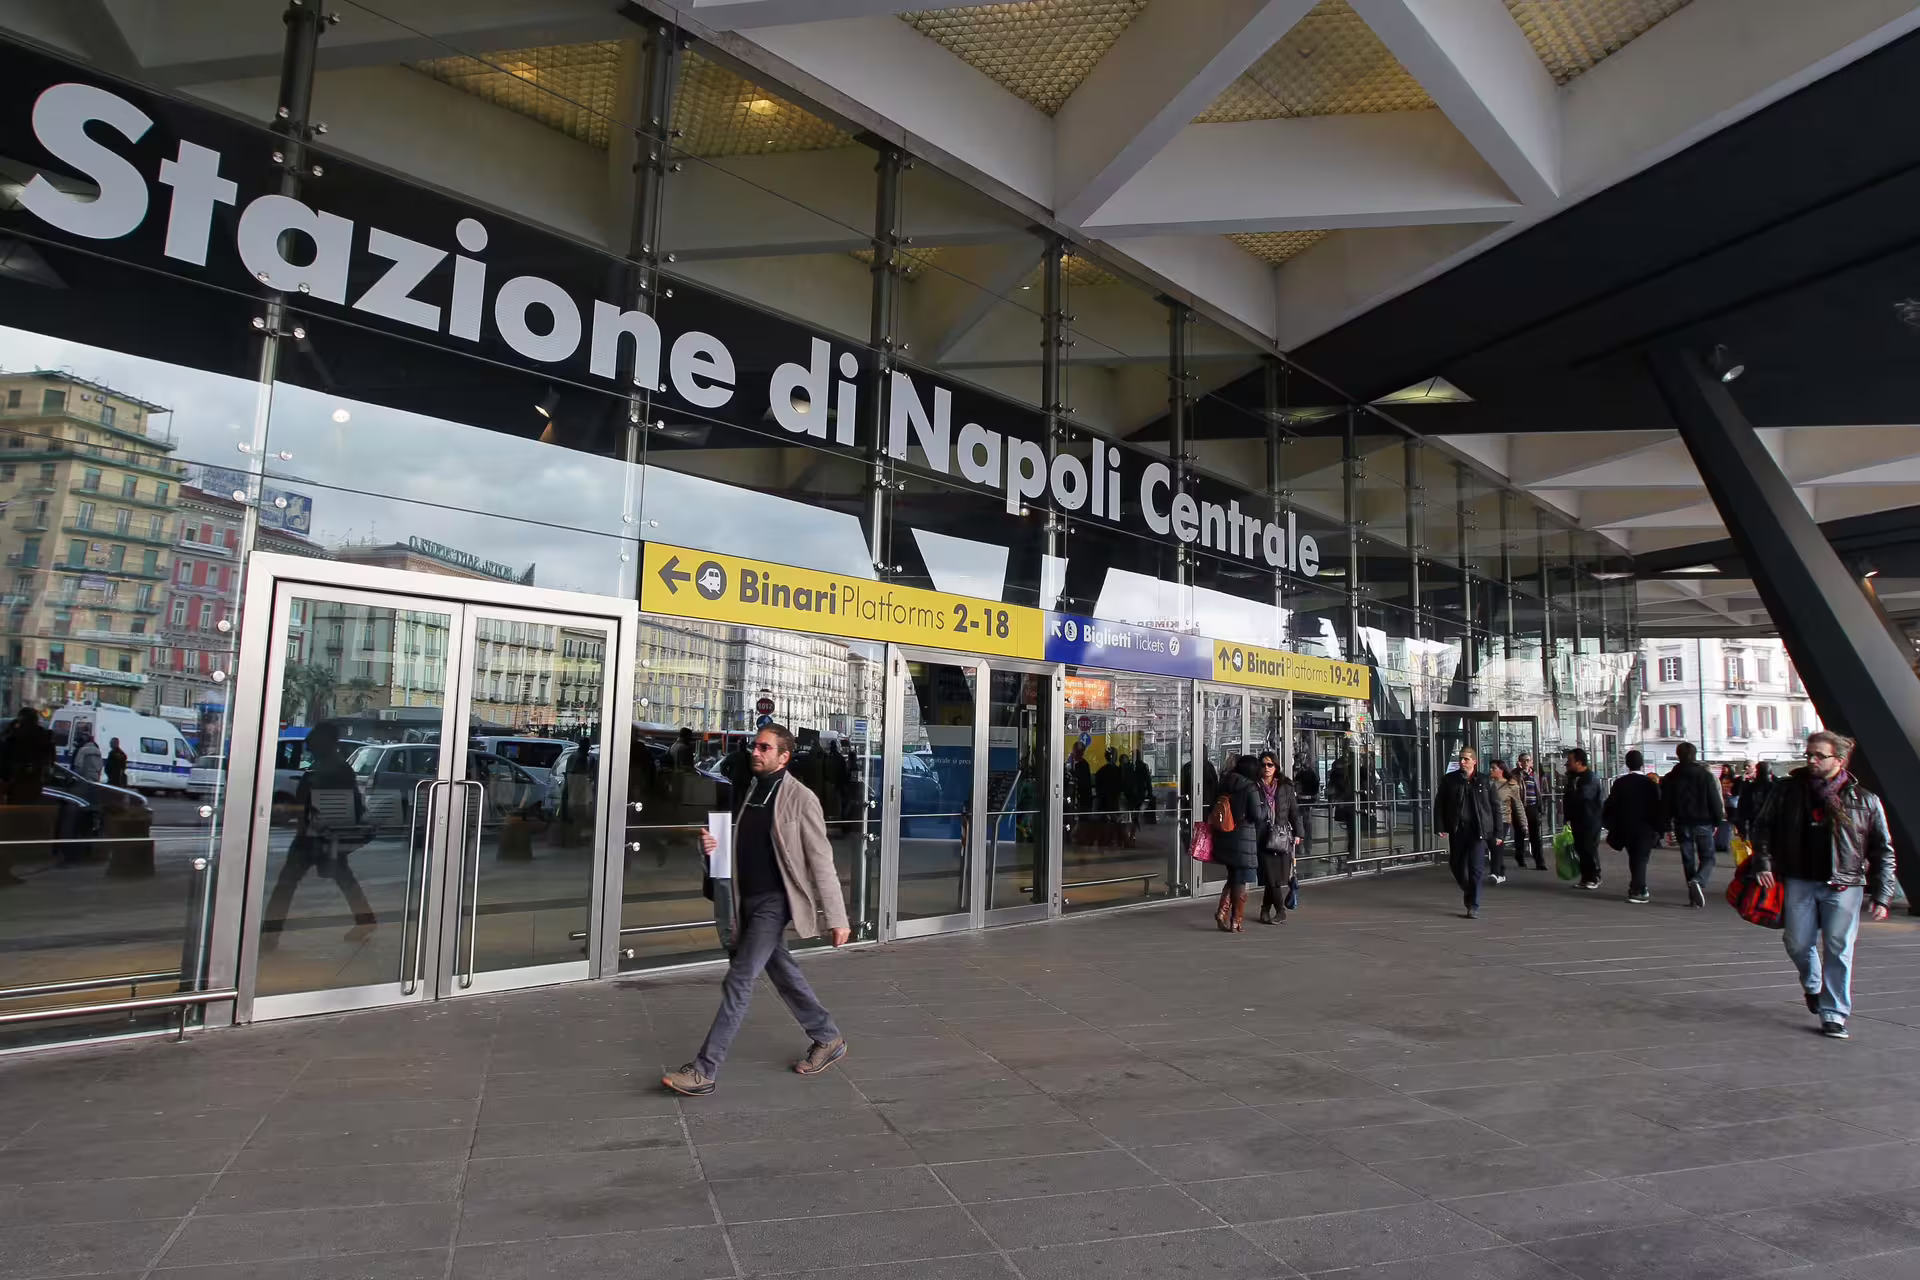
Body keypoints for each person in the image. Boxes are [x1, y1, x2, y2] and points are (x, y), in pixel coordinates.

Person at [664, 724, 851, 1096]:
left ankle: (704, 1070)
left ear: (784, 756)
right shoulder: (751, 790)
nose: (756, 752)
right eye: (755, 746)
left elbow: (821, 861)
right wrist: (714, 850)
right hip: (745, 899)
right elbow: (746, 848)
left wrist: (837, 918)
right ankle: (827, 1037)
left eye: (765, 748)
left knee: (740, 978)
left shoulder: (801, 799)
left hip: (774, 902)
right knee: (782, 971)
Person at [1749, 731, 1896, 1039]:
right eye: (1809, 755)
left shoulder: (1865, 800)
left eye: (1819, 756)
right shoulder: (1786, 791)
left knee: (1839, 949)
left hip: (1844, 885)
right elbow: (1762, 826)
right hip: (1799, 879)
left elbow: (1883, 850)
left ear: (1839, 761)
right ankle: (1813, 985)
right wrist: (1763, 861)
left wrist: (1882, 895)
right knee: (1798, 943)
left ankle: (1834, 1013)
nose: (1812, 760)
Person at [261, 722, 377, 948]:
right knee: (343, 879)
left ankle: (269, 934)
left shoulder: (326, 770)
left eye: (314, 742)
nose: (310, 746)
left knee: (287, 883)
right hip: (324, 834)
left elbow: (315, 804)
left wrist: (292, 811)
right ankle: (366, 920)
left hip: (315, 835)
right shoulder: (334, 768)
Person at [1436, 746, 1499, 919]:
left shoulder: (1485, 781)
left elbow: (1495, 808)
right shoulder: (1450, 780)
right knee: (1456, 864)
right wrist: (1440, 826)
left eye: (1466, 759)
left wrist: (1498, 832)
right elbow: (1440, 803)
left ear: (1474, 761)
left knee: (1476, 868)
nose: (1462, 762)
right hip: (1458, 829)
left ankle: (1473, 904)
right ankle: (1468, 888)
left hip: (1477, 830)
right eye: (1460, 759)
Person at [1663, 741, 1725, 908]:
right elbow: (1714, 800)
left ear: (1678, 755)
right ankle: (1699, 880)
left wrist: (1667, 825)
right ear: (1695, 755)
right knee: (1708, 857)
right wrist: (1718, 820)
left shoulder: (1670, 777)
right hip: (1703, 822)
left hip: (1681, 822)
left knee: (1688, 858)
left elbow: (1666, 803)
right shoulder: (1705, 776)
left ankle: (1693, 896)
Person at [1603, 750, 1666, 904]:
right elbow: (1658, 807)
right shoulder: (1650, 784)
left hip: (1626, 827)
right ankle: (1638, 890)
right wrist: (1660, 828)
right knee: (1641, 858)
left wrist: (1611, 825)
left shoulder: (1619, 783)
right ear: (1642, 763)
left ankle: (1637, 886)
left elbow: (1611, 805)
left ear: (1626, 763)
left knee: (1634, 857)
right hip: (1645, 828)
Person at [1211, 754, 1264, 932]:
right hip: (1243, 838)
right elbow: (1257, 815)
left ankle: (1222, 912)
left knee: (1233, 876)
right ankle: (1236, 920)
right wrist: (1265, 808)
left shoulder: (1225, 783)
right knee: (1241, 881)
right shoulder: (1250, 787)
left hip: (1225, 836)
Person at [1254, 751, 1303, 924]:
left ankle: (1265, 910)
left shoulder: (1285, 786)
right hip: (1262, 836)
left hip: (1281, 836)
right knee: (1271, 875)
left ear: (1276, 767)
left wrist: (1299, 833)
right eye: (1263, 764)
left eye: (1270, 765)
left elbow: (1294, 812)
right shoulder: (1255, 786)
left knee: (1273, 877)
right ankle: (1280, 910)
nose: (1266, 768)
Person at [1564, 748, 1605, 890]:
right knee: (1580, 848)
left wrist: (1572, 793)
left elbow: (1582, 796)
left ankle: (1594, 876)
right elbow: (1569, 798)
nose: (1567, 764)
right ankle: (1586, 877)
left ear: (1579, 762)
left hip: (1590, 819)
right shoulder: (1573, 777)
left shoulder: (1590, 778)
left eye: (1570, 761)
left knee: (1589, 848)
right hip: (1577, 819)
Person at [1487, 759, 1526, 884]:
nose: (1491, 770)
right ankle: (1500, 870)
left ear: (1501, 770)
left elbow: (1518, 805)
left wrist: (1524, 824)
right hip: (1489, 819)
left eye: (1494, 768)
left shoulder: (1511, 786)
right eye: (1491, 768)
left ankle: (1495, 873)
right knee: (1493, 846)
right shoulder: (1487, 783)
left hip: (1503, 819)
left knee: (1497, 844)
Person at [1512, 752, 1547, 870]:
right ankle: (1519, 856)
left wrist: (1540, 807)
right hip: (1521, 808)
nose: (1526, 763)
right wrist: (1520, 771)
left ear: (1531, 762)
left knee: (1535, 836)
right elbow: (1513, 784)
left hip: (1533, 807)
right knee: (1520, 834)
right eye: (1523, 760)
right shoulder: (1516, 774)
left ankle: (1539, 862)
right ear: (1519, 762)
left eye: (1528, 760)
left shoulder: (1535, 775)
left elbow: (1539, 791)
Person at [1737, 760, 1776, 840]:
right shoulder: (1777, 787)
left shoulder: (1751, 787)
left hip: (1755, 821)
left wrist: (1741, 827)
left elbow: (1742, 807)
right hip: (1768, 822)